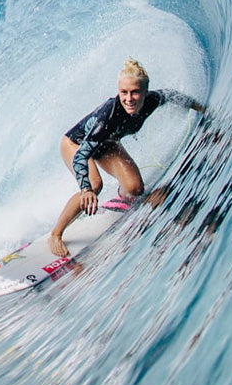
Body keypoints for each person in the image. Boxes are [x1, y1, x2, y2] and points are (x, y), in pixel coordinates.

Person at [49, 58, 204, 257]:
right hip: (77, 144)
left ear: (145, 92)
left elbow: (173, 96)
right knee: (95, 185)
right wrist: (86, 188)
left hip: (105, 143)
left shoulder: (153, 100)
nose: (129, 98)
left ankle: (120, 199)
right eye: (124, 93)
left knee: (135, 189)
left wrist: (202, 109)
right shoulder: (107, 118)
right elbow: (82, 154)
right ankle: (56, 234)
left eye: (135, 92)